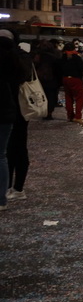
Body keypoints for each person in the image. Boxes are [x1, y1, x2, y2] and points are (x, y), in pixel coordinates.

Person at [0, 30, 29, 211]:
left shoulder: (13, 58)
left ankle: (10, 188)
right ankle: (15, 188)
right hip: (17, 108)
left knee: (6, 152)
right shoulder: (20, 57)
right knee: (12, 150)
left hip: (10, 107)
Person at [56, 42, 83, 123]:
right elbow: (82, 68)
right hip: (75, 79)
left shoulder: (62, 57)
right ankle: (77, 116)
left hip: (65, 78)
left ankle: (70, 116)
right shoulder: (76, 57)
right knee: (79, 98)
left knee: (68, 97)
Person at [33, 40, 61, 120]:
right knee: (51, 96)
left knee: (41, 95)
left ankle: (43, 111)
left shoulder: (38, 57)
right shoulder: (54, 57)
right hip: (51, 79)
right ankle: (49, 112)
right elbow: (58, 69)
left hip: (40, 79)